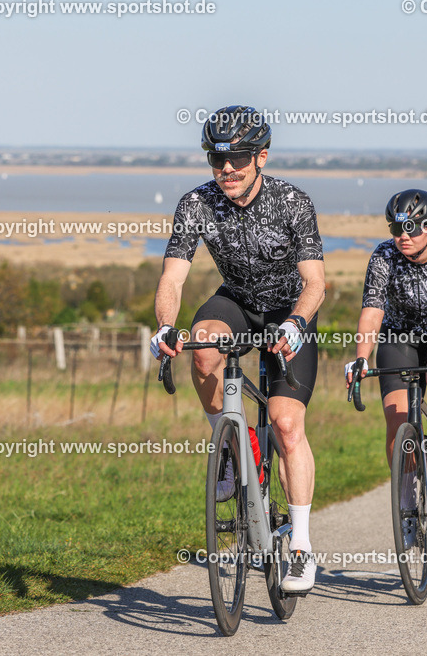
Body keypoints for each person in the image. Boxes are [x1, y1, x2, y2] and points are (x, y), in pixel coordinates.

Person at [151, 105, 325, 593]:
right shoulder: (196, 203)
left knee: (286, 426)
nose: (226, 169)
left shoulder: (292, 202)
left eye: (238, 159)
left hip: (289, 310)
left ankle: (301, 547)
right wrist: (165, 327)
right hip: (238, 302)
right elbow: (172, 277)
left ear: (261, 157)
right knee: (203, 347)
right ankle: (230, 446)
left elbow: (315, 283)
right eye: (216, 159)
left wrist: (296, 323)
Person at [344, 189, 427, 543]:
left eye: (411, 228)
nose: (403, 236)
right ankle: (406, 505)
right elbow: (372, 313)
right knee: (397, 418)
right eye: (396, 228)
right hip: (399, 336)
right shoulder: (383, 256)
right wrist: (361, 357)